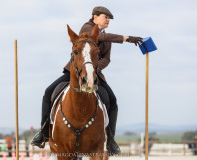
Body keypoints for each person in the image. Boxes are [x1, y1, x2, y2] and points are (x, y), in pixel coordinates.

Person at [31, 6, 143, 155]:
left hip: (93, 74)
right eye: (105, 17)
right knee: (48, 92)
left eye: (109, 19)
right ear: (95, 17)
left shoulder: (107, 38)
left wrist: (93, 70)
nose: (108, 20)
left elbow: (107, 59)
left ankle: (110, 140)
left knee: (113, 101)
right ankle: (44, 132)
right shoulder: (87, 27)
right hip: (75, 72)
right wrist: (126, 38)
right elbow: (99, 37)